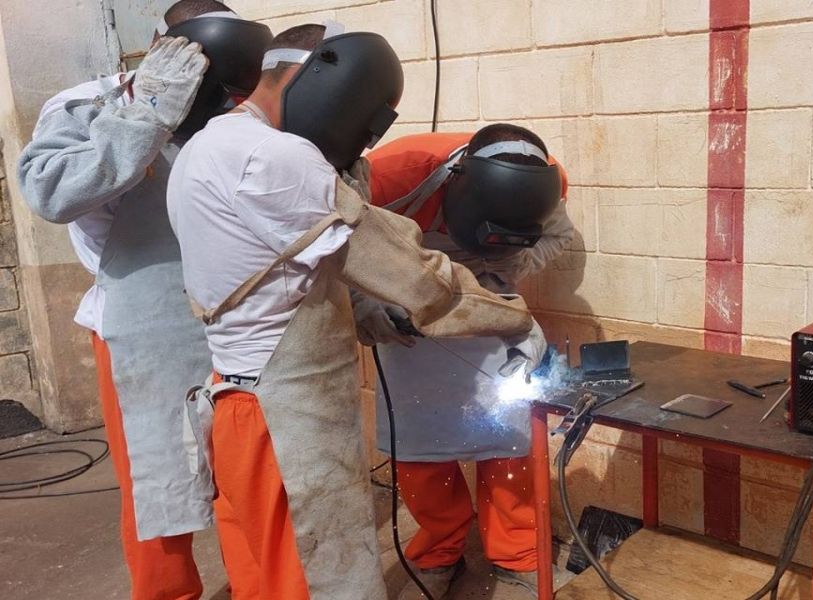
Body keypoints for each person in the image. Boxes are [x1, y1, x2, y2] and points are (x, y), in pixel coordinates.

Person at [166, 24, 542, 599]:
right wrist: (510, 317)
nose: (364, 143)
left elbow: (285, 267)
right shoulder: (275, 155)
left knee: (265, 578)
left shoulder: (206, 146)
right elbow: (412, 274)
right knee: (324, 580)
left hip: (241, 401)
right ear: (324, 79)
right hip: (286, 424)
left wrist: (361, 307)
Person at [16, 3, 270, 599]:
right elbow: (52, 192)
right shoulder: (83, 104)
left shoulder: (237, 109)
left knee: (247, 479)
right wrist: (148, 108)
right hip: (140, 329)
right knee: (156, 482)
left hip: (235, 322)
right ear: (162, 46)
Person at [361, 124, 572, 599]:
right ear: (458, 187)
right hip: (406, 310)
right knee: (419, 442)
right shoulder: (390, 177)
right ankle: (438, 548)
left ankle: (519, 552)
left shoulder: (547, 185)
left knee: (508, 431)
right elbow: (336, 243)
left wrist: (501, 271)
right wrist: (367, 302)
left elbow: (558, 237)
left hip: (489, 307)